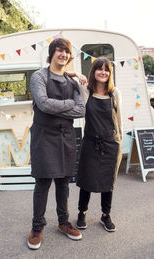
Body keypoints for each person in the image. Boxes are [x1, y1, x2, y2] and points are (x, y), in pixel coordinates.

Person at [27, 37, 86, 250]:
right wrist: (70, 103)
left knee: (63, 182)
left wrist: (59, 106)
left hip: (66, 137)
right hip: (44, 136)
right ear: (52, 54)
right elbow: (43, 104)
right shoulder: (39, 77)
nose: (63, 54)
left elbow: (81, 110)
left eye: (66, 52)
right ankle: (37, 227)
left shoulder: (73, 82)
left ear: (69, 56)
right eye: (59, 51)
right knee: (43, 183)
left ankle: (63, 222)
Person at [75, 57, 123, 232]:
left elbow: (118, 119)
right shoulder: (86, 91)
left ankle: (105, 215)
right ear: (94, 71)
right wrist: (77, 73)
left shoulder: (115, 93)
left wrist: (119, 141)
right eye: (99, 69)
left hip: (111, 144)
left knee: (108, 182)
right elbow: (63, 73)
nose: (103, 72)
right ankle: (82, 212)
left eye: (107, 69)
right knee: (86, 181)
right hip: (90, 143)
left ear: (110, 73)